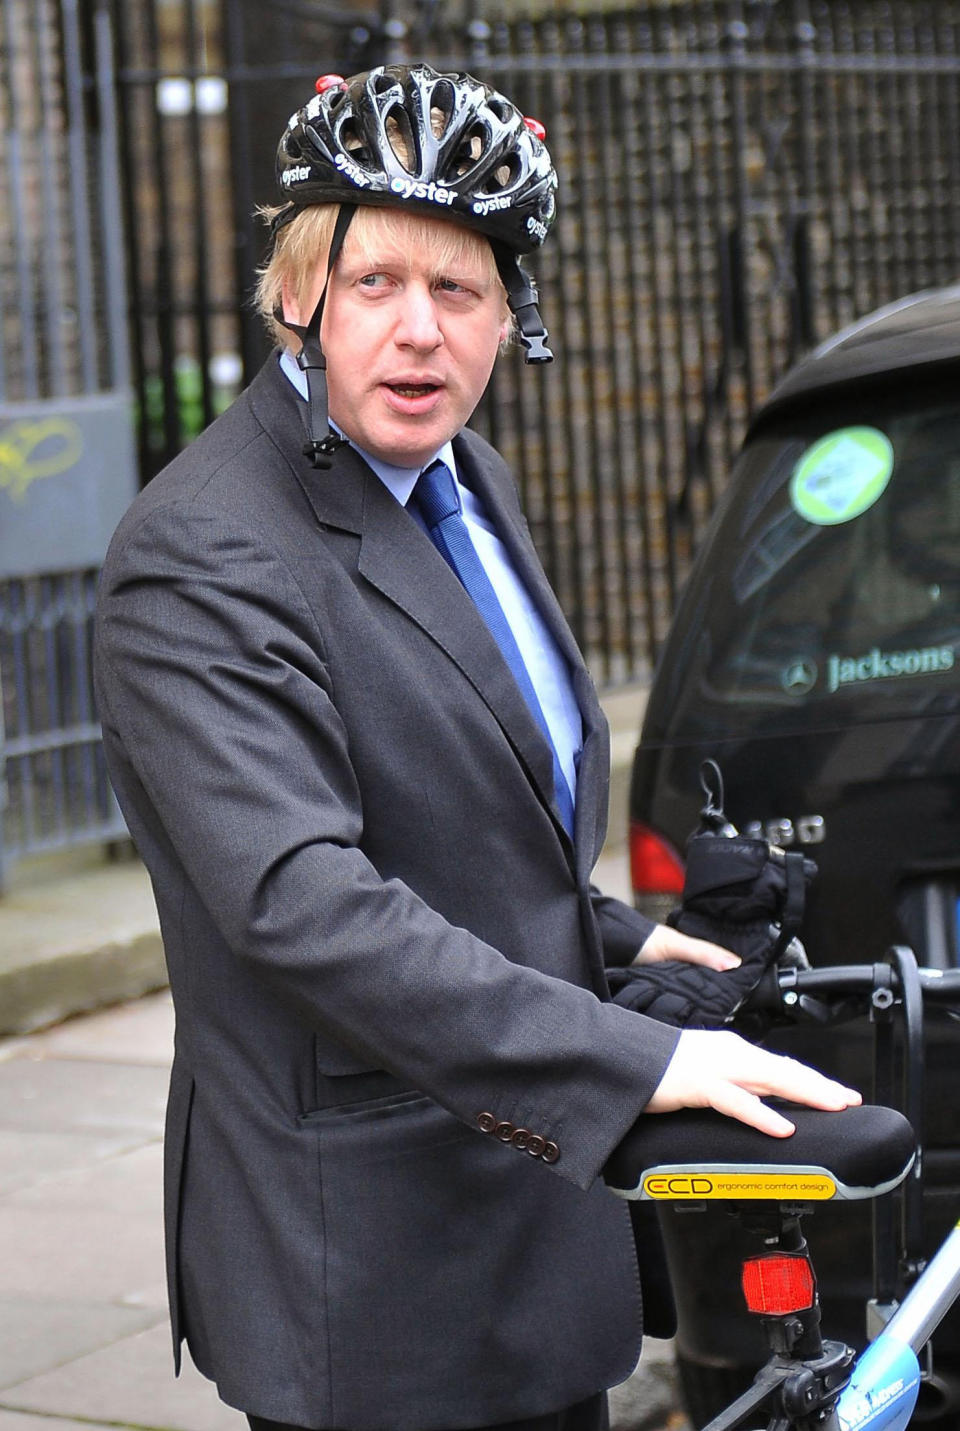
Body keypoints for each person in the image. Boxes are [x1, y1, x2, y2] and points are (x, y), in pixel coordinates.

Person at [94, 62, 860, 1431]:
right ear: (298, 294)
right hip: (373, 1270)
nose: (417, 333)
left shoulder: (466, 477)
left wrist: (624, 941)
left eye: (460, 292)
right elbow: (299, 902)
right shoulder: (203, 552)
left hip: (528, 1235)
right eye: (377, 281)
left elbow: (465, 807)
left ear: (513, 320)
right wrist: (638, 1060)